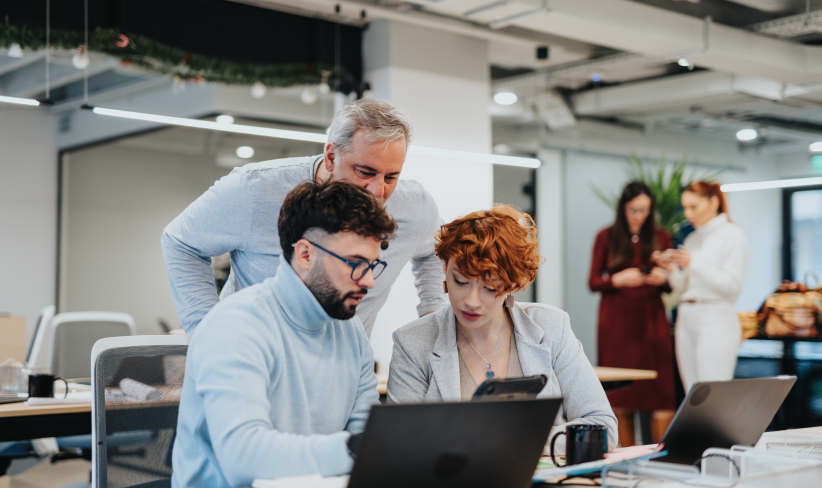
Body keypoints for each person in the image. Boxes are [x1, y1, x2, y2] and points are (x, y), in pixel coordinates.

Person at [172, 181, 396, 487]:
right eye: (355, 264)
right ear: (305, 255)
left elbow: (364, 436)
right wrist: (359, 449)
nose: (369, 281)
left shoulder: (349, 329)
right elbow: (245, 460)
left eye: (372, 265)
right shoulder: (237, 325)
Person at [162, 98, 446, 336]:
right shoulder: (256, 189)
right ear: (332, 156)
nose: (378, 190)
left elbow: (435, 250)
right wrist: (206, 331)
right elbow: (181, 242)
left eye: (391, 176)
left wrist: (431, 316)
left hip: (343, 367)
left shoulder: (414, 206)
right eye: (365, 172)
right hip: (258, 358)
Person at [387, 206, 617, 454]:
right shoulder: (412, 343)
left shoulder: (551, 327)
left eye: (490, 287)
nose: (472, 301)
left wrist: (511, 438)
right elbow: (401, 445)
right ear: (444, 267)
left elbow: (602, 427)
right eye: (461, 282)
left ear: (513, 283)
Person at [588, 182, 676, 446]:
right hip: (618, 322)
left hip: (651, 319)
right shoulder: (606, 236)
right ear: (623, 208)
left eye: (645, 210)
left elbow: (671, 285)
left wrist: (663, 277)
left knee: (661, 389)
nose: (640, 216)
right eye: (634, 210)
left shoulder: (661, 236)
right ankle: (624, 462)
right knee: (622, 392)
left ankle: (665, 459)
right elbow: (593, 282)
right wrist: (618, 279)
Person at [656, 181, 749, 392]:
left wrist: (693, 263)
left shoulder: (732, 234)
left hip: (715, 318)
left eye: (693, 207)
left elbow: (733, 286)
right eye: (685, 208)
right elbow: (683, 287)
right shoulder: (692, 239)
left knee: (712, 393)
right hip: (686, 317)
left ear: (714, 202)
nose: (688, 214)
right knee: (693, 395)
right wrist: (672, 270)